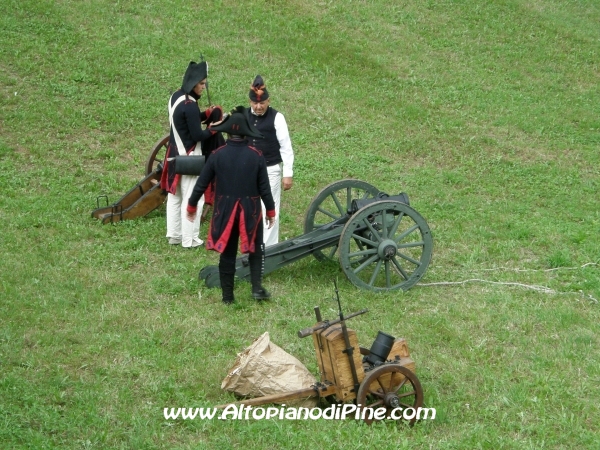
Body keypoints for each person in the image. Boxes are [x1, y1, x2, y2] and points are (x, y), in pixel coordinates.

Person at [187, 107, 275, 305]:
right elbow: (265, 189)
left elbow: (202, 183)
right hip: (251, 212)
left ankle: (228, 297)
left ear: (227, 132)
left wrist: (192, 206)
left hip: (225, 211)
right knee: (256, 249)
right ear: (245, 133)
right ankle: (256, 288)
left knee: (227, 254)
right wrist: (270, 211)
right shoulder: (256, 155)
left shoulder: (217, 155)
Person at [160, 59, 224, 248]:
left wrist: (205, 113)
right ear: (193, 82)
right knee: (194, 198)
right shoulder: (189, 105)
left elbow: (188, 120)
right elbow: (197, 134)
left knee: (175, 196)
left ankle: (174, 235)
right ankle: (190, 239)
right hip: (189, 156)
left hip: (173, 154)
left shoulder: (176, 97)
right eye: (202, 83)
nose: (204, 87)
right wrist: (214, 128)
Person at [245, 75, 294, 246]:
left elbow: (286, 147)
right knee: (249, 207)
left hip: (270, 169)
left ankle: (268, 247)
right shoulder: (243, 115)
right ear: (250, 101)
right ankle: (251, 243)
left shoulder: (277, 118)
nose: (258, 107)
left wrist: (288, 173)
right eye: (255, 103)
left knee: (269, 208)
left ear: (268, 101)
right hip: (248, 170)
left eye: (262, 103)